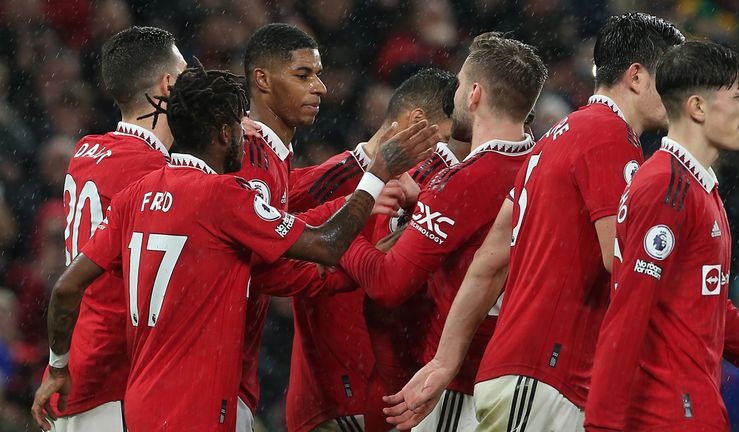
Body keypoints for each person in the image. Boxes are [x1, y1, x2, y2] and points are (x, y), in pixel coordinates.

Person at [31, 63, 438, 431]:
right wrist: (375, 173)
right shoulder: (223, 197)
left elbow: (66, 288)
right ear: (225, 132)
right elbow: (326, 245)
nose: (248, 136)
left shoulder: (135, 195)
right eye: (241, 128)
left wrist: (58, 367)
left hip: (139, 404)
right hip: (198, 408)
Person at [384, 13, 684, 432]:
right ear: (636, 76)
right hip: (547, 370)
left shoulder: (556, 137)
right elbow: (623, 263)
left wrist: (443, 362)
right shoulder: (610, 137)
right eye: (671, 79)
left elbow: (491, 260)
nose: (679, 94)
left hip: (525, 370)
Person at [340, 32, 547, 431]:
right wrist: (423, 209)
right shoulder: (538, 164)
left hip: (461, 385)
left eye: (456, 87)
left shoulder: (467, 182)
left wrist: (346, 233)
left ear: (473, 94)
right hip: (517, 375)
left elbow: (388, 283)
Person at [585, 40, 739, 431]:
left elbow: (712, 307)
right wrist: (601, 423)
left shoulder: (697, 189)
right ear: (697, 107)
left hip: (694, 405)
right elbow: (627, 313)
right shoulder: (667, 189)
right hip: (667, 411)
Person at [285, 67, 459, 432]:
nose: (448, 152)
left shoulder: (434, 186)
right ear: (416, 123)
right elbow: (266, 222)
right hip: (339, 399)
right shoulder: (332, 180)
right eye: (445, 138)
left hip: (400, 397)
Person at [32, 26, 186, 432]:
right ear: (168, 84)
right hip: (118, 381)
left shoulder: (85, 151)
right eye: (187, 74)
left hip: (74, 367)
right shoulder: (154, 174)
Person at [236, 23, 327, 430]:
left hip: (232, 370)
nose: (320, 87)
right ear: (262, 79)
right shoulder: (251, 155)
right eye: (303, 75)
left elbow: (295, 197)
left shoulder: (271, 155)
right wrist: (358, 263)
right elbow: (267, 266)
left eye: (318, 74)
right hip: (216, 372)